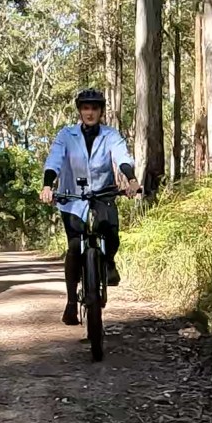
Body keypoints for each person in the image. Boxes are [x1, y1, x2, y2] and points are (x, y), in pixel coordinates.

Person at [39, 88, 139, 326]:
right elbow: (54, 160)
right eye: (85, 108)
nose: (90, 112)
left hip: (103, 194)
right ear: (80, 111)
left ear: (101, 111)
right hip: (72, 197)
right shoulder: (66, 135)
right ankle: (72, 302)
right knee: (75, 247)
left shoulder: (111, 135)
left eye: (94, 108)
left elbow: (122, 157)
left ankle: (109, 263)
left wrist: (132, 179)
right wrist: (47, 185)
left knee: (111, 234)